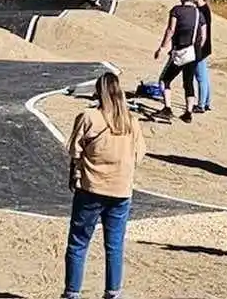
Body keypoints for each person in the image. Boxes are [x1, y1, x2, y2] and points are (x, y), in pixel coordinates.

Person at [62, 71, 146, 299]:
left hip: (91, 188)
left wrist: (76, 172)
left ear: (98, 92)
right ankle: (113, 293)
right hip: (121, 191)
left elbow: (74, 150)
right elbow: (139, 155)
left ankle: (72, 293)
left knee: (78, 242)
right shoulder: (131, 122)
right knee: (115, 245)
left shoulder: (89, 117)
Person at [153, 0, 207, 123]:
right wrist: (197, 49)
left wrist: (162, 48)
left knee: (165, 80)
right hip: (194, 53)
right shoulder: (198, 13)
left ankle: (167, 108)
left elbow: (170, 30)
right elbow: (203, 35)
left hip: (180, 51)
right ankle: (188, 113)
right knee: (188, 83)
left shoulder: (176, 10)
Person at [193, 0, 213, 113]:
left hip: (200, 47)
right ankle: (206, 102)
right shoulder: (206, 8)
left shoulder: (201, 10)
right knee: (204, 76)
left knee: (200, 77)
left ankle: (201, 105)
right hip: (205, 46)